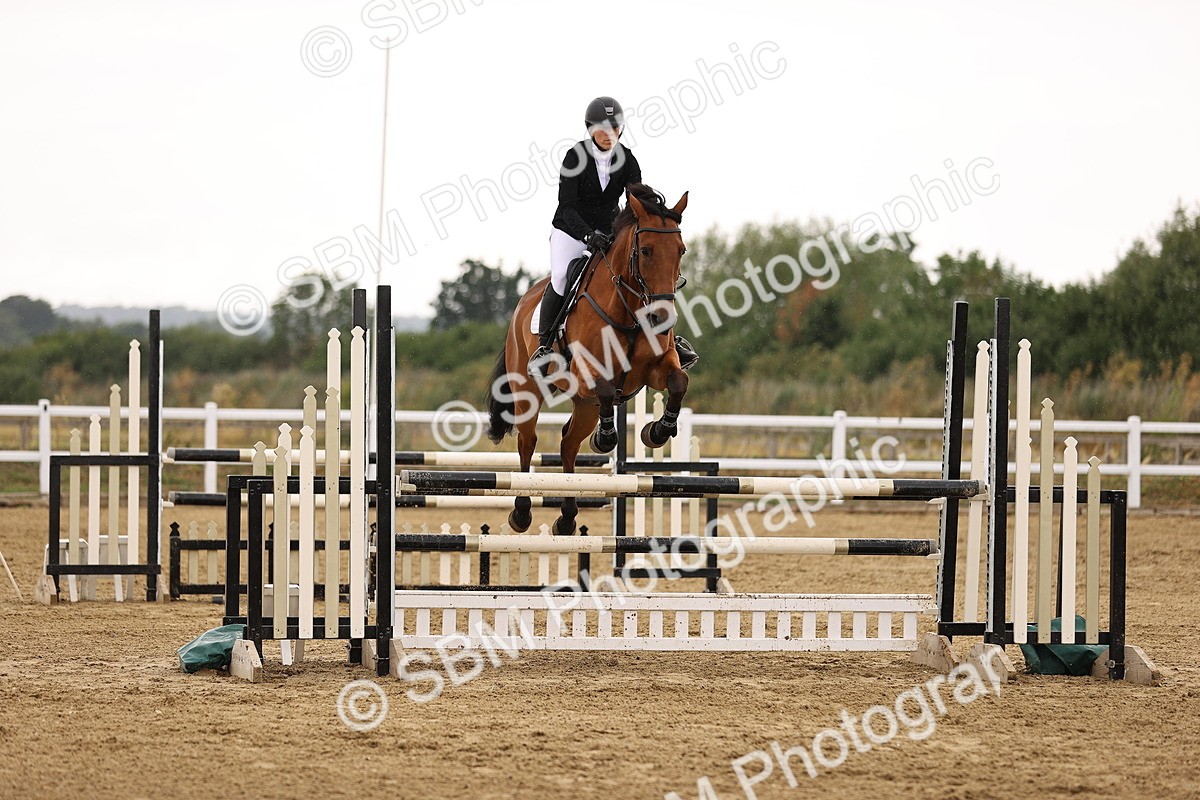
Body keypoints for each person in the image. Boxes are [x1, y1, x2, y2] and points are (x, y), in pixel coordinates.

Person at [529, 96, 697, 376]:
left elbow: (638, 196)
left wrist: (659, 213)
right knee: (562, 277)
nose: (609, 135)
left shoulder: (627, 158)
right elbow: (567, 205)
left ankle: (669, 342)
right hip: (570, 230)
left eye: (614, 129)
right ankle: (545, 347)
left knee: (639, 273)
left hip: (609, 230)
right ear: (590, 129)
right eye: (602, 129)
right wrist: (587, 236)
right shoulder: (574, 157)